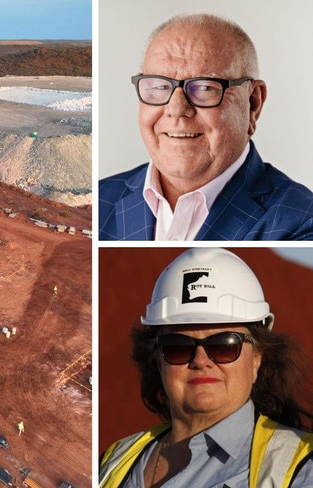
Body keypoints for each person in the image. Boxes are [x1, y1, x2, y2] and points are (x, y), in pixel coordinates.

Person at [99, 248, 313, 487]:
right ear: (158, 361)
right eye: (178, 347)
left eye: (224, 345)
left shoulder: (302, 469)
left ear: (256, 359)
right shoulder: (115, 460)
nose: (200, 361)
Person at [99, 14, 313, 240]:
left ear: (253, 104)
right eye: (160, 86)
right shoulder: (102, 200)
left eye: (204, 88)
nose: (176, 108)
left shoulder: (300, 224)